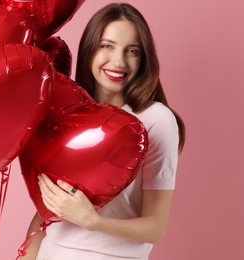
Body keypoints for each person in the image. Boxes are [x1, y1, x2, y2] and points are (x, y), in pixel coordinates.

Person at [21, 2, 186, 259]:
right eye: (107, 46)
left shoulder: (156, 120)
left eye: (132, 51)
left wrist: (91, 220)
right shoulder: (67, 111)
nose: (118, 61)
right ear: (90, 49)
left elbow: (155, 226)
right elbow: (50, 205)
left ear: (144, 59)